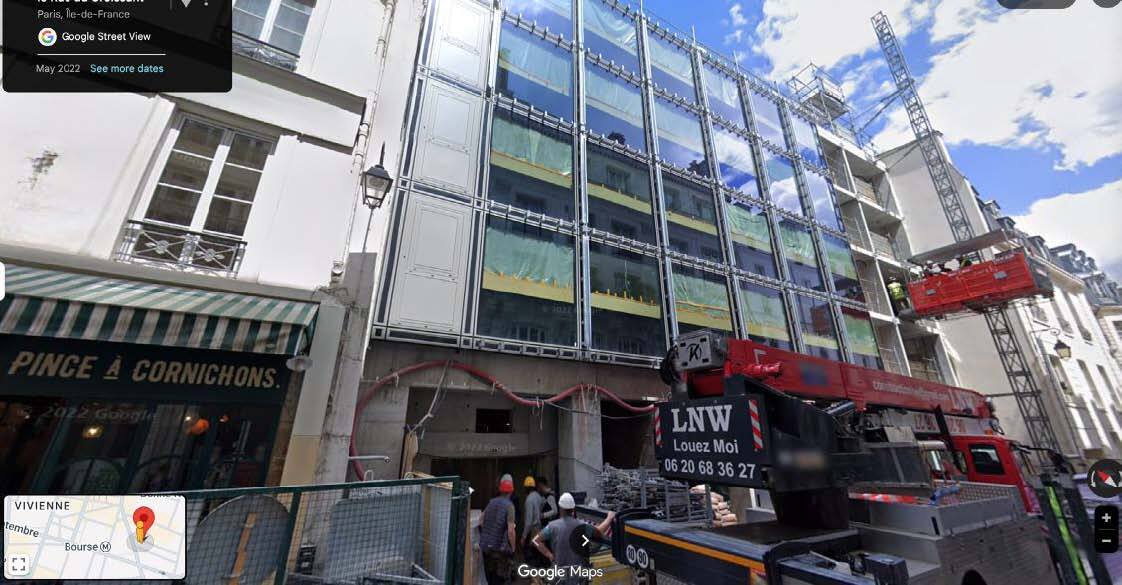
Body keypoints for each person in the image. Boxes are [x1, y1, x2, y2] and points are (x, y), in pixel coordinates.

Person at [532, 493, 616, 585]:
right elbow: (599, 532)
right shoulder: (582, 526)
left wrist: (549, 555)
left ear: (560, 508)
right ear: (573, 509)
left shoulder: (551, 526)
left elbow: (535, 541)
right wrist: (609, 518)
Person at [479, 474, 517, 585]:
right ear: (511, 491)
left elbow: (481, 521)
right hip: (499, 549)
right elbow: (511, 530)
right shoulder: (510, 506)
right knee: (500, 578)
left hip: (486, 547)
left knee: (490, 577)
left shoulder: (491, 502)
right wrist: (513, 548)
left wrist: (489, 532)